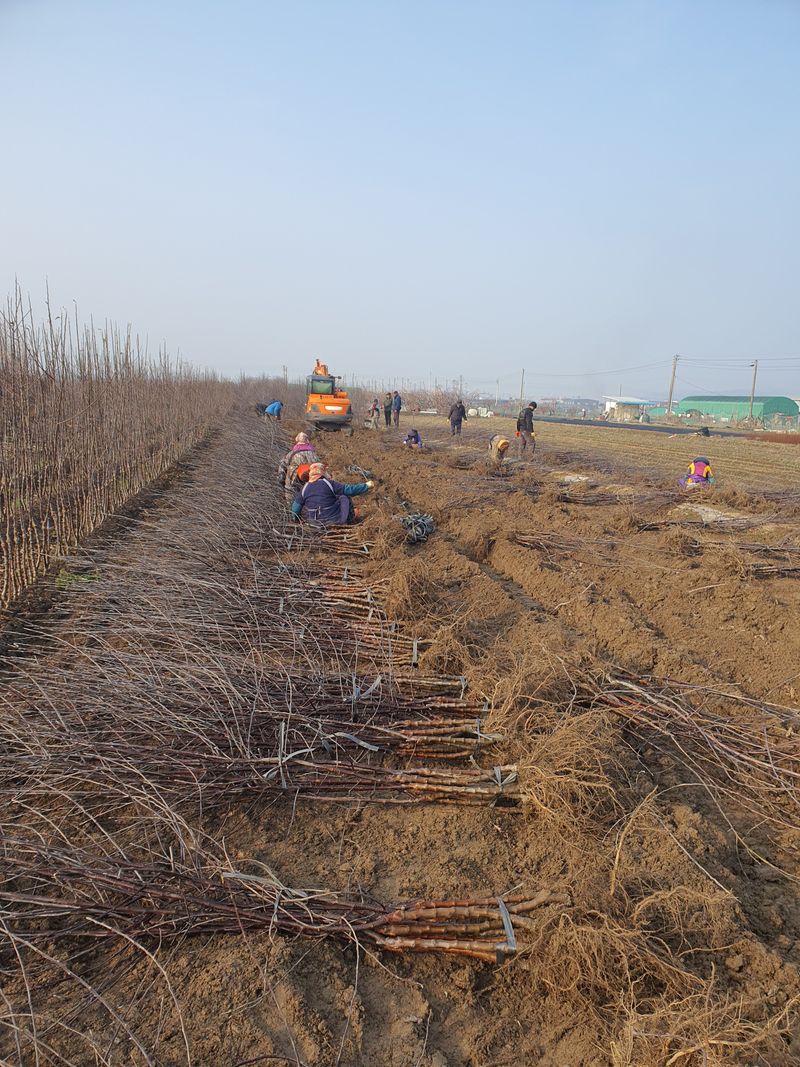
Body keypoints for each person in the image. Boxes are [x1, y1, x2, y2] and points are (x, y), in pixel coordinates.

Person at [291, 463, 374, 525]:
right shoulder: (329, 483)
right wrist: (366, 486)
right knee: (344, 497)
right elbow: (350, 490)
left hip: (314, 523)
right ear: (322, 472)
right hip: (333, 520)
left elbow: (295, 509)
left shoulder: (304, 488)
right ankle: (350, 521)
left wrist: (296, 520)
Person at [278, 432, 320, 504]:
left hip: (295, 479)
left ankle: (292, 506)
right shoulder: (314, 455)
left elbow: (283, 466)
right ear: (307, 441)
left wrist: (281, 479)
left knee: (291, 493)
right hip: (311, 479)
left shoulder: (292, 453)